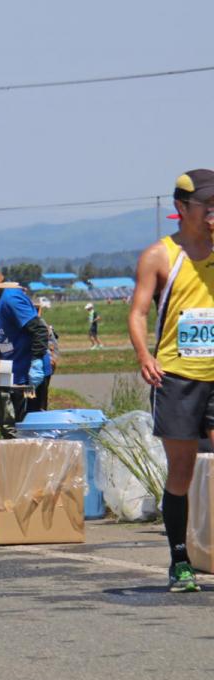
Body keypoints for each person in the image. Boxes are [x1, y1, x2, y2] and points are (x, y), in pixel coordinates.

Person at [128, 168, 214, 592]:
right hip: (178, 376)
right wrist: (145, 355)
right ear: (182, 208)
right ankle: (180, 560)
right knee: (182, 469)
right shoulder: (160, 256)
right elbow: (139, 312)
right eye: (207, 205)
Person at [0, 275, 50, 425]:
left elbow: (40, 330)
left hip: (29, 373)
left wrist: (36, 362)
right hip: (13, 371)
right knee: (17, 424)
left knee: (33, 424)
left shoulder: (11, 298)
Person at [27, 298, 58, 413]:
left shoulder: (40, 325)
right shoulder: (40, 323)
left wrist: (52, 359)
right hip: (35, 369)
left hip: (39, 368)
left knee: (36, 401)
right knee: (34, 401)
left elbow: (53, 346)